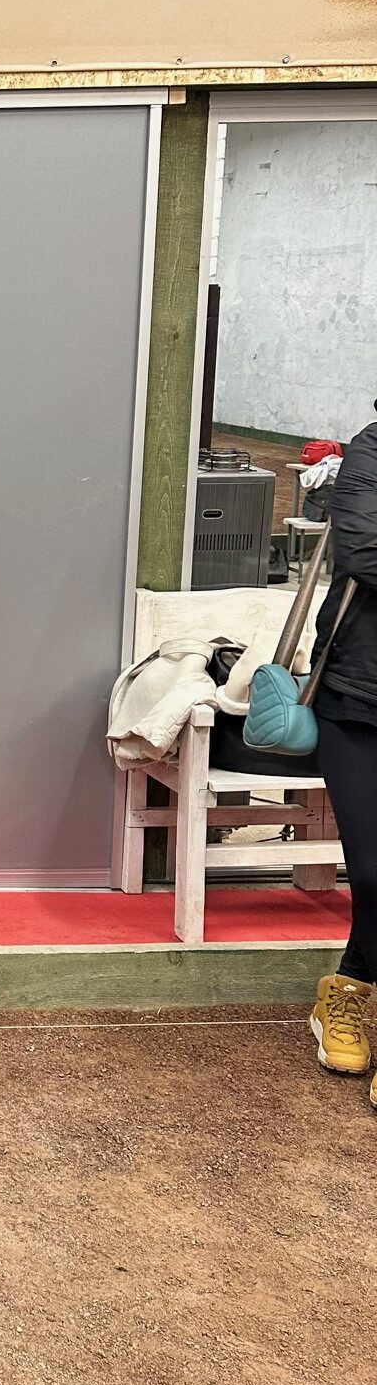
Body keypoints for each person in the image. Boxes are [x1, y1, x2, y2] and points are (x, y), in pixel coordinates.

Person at [306, 406, 377, 1105]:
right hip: (358, 699)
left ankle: (351, 988)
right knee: (374, 869)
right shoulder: (371, 450)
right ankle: (352, 989)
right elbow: (364, 551)